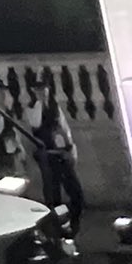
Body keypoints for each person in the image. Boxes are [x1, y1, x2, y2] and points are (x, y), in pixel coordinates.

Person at [25, 86, 85, 234]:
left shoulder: (54, 106)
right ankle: (58, 228)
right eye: (38, 88)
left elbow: (64, 129)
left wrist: (71, 149)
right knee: (53, 195)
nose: (42, 91)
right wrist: (39, 103)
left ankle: (71, 224)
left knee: (76, 193)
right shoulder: (33, 108)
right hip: (48, 156)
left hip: (61, 154)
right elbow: (36, 123)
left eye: (44, 88)